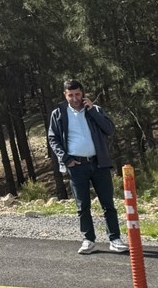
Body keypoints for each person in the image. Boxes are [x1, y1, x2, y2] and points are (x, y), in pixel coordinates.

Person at [47, 79, 128, 254]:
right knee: (82, 206)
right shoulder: (58, 113)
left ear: (82, 93)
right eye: (71, 95)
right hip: (76, 165)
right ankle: (88, 240)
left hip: (99, 163)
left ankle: (115, 239)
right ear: (65, 95)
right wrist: (66, 159)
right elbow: (53, 138)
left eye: (77, 94)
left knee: (108, 204)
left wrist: (92, 110)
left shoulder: (95, 110)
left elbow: (109, 129)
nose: (75, 98)